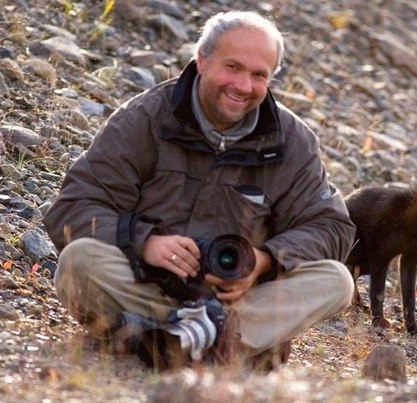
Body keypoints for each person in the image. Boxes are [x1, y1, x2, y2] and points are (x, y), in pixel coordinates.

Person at [43, 10, 355, 371]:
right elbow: (72, 206)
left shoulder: (293, 140)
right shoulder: (145, 118)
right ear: (202, 60)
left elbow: (333, 227)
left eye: (259, 75)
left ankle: (169, 337)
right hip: (148, 283)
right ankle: (217, 342)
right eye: (233, 67)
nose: (242, 85)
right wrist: (145, 241)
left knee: (336, 280)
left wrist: (262, 260)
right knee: (78, 261)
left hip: (237, 300)